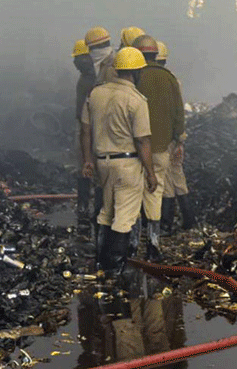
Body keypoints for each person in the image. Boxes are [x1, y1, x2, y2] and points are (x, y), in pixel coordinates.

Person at [80, 47, 157, 273]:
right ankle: (114, 268)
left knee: (106, 213)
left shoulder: (95, 94)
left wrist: (87, 160)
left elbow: (85, 130)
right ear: (136, 72)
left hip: (102, 162)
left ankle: (100, 262)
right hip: (127, 164)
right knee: (124, 216)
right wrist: (151, 173)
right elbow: (142, 140)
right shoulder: (136, 100)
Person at [129, 35, 187, 260]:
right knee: (156, 193)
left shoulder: (135, 77)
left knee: (134, 195)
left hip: (135, 149)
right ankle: (153, 243)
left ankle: (133, 244)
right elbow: (179, 114)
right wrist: (178, 140)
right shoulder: (169, 78)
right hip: (162, 148)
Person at [154, 40, 193, 235]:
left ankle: (166, 224)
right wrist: (180, 140)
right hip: (175, 136)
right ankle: (189, 220)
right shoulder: (173, 80)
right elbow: (179, 112)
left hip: (162, 137)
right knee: (178, 175)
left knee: (166, 180)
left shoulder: (153, 82)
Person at [73, 39, 97, 221]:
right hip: (85, 123)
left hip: (89, 124)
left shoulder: (92, 78)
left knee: (86, 162)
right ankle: (84, 204)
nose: (77, 62)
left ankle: (86, 205)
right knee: (84, 164)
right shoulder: (86, 78)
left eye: (80, 58)